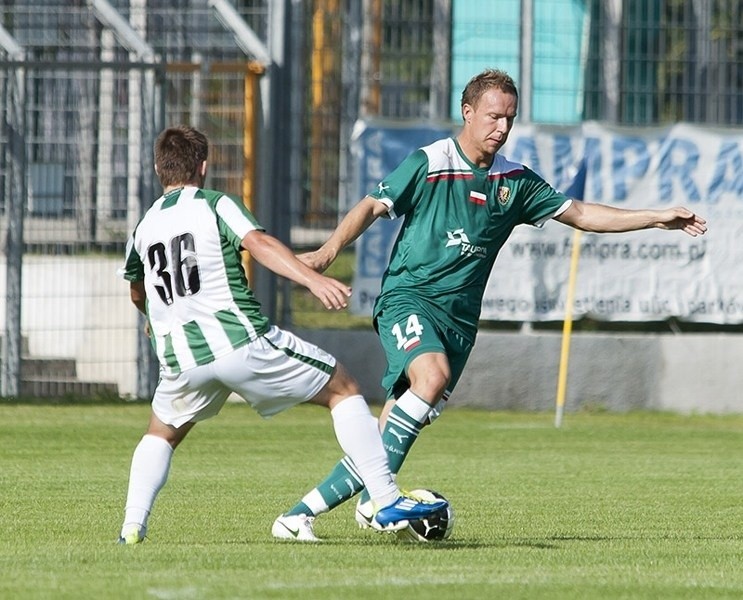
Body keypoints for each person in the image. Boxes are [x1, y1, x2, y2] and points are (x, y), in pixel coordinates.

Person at [273, 68, 708, 540]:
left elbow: (581, 213)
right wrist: (326, 252)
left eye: (510, 119)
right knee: (430, 376)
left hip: (460, 323)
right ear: (468, 112)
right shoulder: (430, 162)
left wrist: (655, 217)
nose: (501, 128)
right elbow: (370, 206)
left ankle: (341, 508)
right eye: (493, 116)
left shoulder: (515, 182)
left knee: (395, 425)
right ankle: (341, 510)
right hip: (408, 298)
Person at [117, 125, 447, 544]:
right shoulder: (214, 204)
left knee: (161, 433)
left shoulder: (143, 228)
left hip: (181, 361)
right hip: (239, 342)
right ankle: (385, 500)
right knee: (343, 389)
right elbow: (258, 243)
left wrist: (152, 316)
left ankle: (132, 526)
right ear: (203, 166)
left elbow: (136, 288)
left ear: (158, 169)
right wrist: (311, 279)